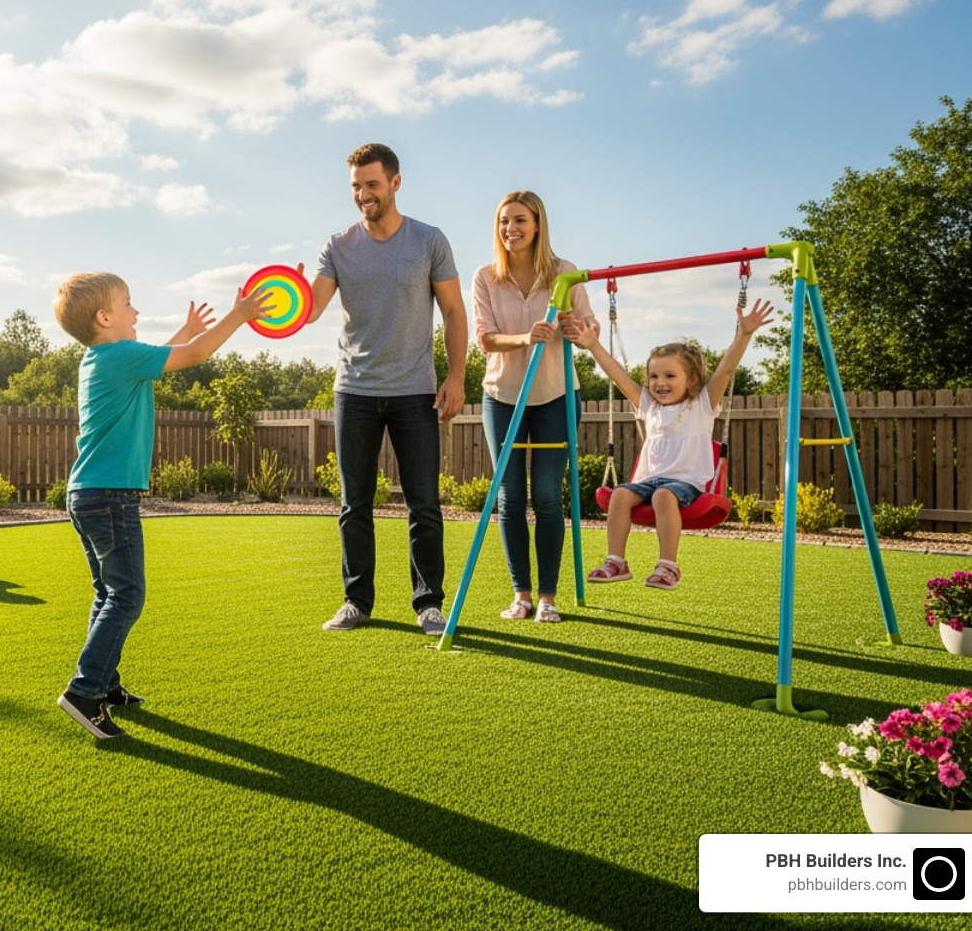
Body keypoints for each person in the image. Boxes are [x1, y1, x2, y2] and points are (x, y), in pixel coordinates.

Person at [52, 272, 271, 738]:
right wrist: (239, 315)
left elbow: (165, 356)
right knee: (128, 596)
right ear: (104, 316)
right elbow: (191, 358)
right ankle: (84, 690)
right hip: (111, 495)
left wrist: (187, 330)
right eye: (129, 303)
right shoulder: (122, 356)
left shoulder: (101, 358)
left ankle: (105, 684)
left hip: (85, 493)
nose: (137, 312)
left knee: (107, 593)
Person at [305, 143, 469, 636]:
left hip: (415, 391)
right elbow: (309, 308)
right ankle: (357, 601)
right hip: (353, 389)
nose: (363, 195)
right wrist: (283, 295)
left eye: (371, 185)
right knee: (354, 503)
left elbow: (455, 311)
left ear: (395, 183)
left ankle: (429, 605)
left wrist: (456, 375)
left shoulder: (429, 240)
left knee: (424, 503)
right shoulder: (337, 246)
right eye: (356, 186)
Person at [565, 300, 774, 589]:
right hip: (648, 482)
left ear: (691, 381)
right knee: (620, 495)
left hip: (686, 484)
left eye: (669, 376)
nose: (659, 382)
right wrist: (594, 345)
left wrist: (743, 335)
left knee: (664, 495)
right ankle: (616, 561)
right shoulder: (649, 405)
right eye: (653, 376)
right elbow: (617, 375)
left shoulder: (702, 403)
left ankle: (668, 566)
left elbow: (725, 370)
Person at [472, 191, 596, 624]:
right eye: (505, 222)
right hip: (503, 397)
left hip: (555, 396)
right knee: (510, 497)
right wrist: (526, 337)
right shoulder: (486, 276)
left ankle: (547, 597)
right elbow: (484, 338)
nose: (511, 229)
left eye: (520, 220)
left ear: (538, 224)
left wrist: (577, 329)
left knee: (545, 495)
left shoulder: (565, 273)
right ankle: (520, 595)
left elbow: (589, 324)